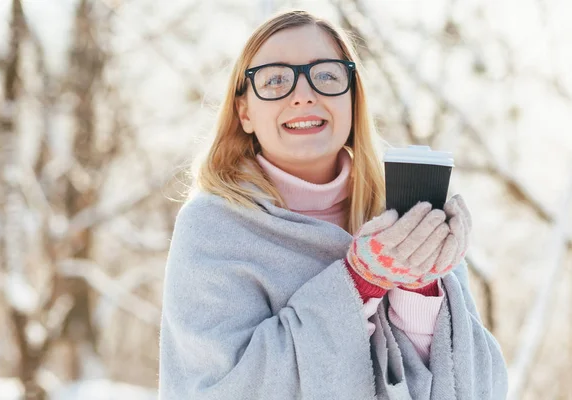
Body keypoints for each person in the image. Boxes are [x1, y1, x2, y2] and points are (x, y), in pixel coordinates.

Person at [158, 9, 508, 400]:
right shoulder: (212, 228)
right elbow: (223, 389)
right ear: (245, 112)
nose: (303, 94)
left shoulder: (404, 220)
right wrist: (358, 282)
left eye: (326, 75)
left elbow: (476, 388)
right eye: (275, 79)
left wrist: (420, 289)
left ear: (353, 98)